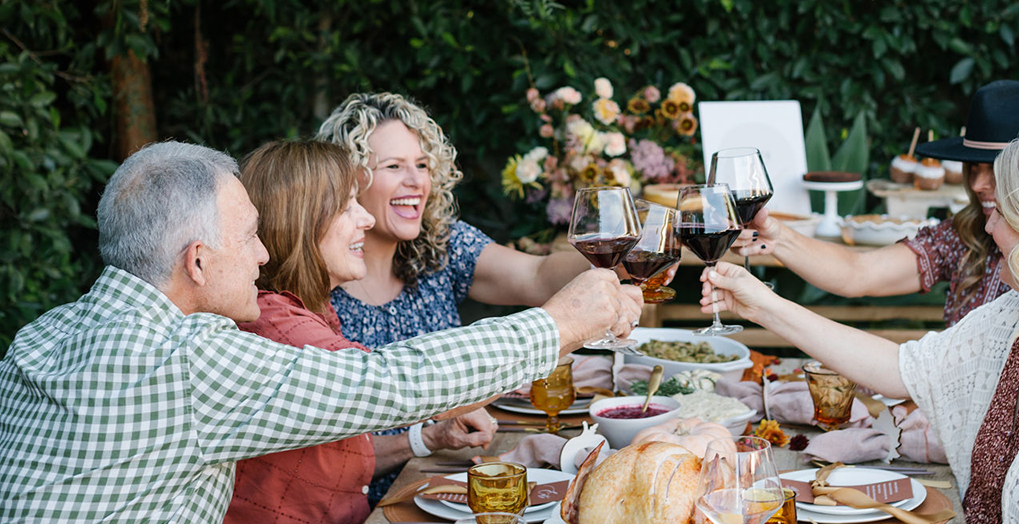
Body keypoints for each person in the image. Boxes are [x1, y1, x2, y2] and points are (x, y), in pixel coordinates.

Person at [0, 141, 642, 523]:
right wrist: (561, 323)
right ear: (197, 262)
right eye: (250, 238)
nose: (261, 255)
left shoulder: (37, 338)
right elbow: (390, 381)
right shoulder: (183, 356)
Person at [703, 122, 1019, 522]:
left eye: (1001, 213)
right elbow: (897, 367)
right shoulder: (1018, 320)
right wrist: (758, 305)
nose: (986, 226)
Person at [316, 91, 601, 501]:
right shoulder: (314, 282)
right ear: (347, 180)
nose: (416, 181)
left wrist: (619, 253)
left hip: (447, 486)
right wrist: (424, 437)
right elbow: (315, 461)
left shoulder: (440, 245)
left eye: (422, 165)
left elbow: (538, 275)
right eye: (394, 166)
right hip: (363, 506)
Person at [224, 139, 500, 524]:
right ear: (302, 223)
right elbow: (397, 385)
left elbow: (338, 460)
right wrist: (560, 326)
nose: (366, 220)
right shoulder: (279, 327)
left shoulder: (306, 310)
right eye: (347, 207)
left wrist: (429, 439)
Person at [737, 80, 1019, 325]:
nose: (980, 183)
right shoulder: (965, 234)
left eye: (1000, 169)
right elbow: (860, 273)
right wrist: (775, 235)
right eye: (973, 167)